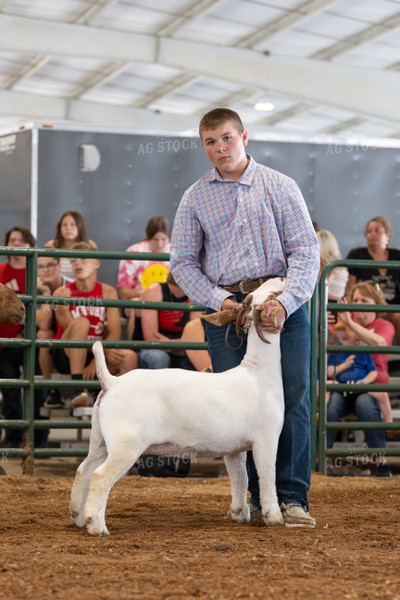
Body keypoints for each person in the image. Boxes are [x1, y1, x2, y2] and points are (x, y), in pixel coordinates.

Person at [170, 108, 320, 528]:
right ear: (204, 146)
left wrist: (285, 303)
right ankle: (254, 499)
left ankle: (291, 498)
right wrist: (220, 300)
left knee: (291, 398)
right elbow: (182, 263)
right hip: (230, 312)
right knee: (236, 408)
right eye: (210, 142)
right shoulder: (195, 196)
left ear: (244, 137)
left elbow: (306, 252)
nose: (220, 148)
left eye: (226, 138)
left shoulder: (280, 186)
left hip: (280, 305)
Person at [49, 242, 137, 408]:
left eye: (83, 259)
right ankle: (77, 389)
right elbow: (73, 334)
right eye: (73, 261)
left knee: (129, 357)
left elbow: (115, 333)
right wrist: (98, 356)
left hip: (97, 353)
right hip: (67, 355)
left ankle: (121, 408)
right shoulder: (62, 293)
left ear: (96, 262)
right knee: (82, 323)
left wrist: (95, 361)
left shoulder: (108, 291)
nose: (78, 264)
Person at [327, 281, 395, 477]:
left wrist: (351, 323)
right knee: (331, 406)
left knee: (366, 404)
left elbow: (381, 343)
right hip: (343, 386)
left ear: (376, 303)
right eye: (354, 300)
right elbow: (324, 340)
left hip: (371, 387)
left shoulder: (384, 325)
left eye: (363, 300)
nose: (357, 304)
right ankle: (321, 460)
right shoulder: (343, 324)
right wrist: (326, 321)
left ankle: (381, 463)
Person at [0, 226, 48, 448]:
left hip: (32, 340)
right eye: (12, 239)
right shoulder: (1, 271)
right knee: (9, 389)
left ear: (30, 245)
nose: (17, 243)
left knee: (37, 388)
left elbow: (52, 301)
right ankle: (14, 438)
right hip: (5, 341)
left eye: (21, 240)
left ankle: (39, 441)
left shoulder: (37, 272)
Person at [345, 216, 400, 344]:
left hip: (392, 308)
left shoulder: (397, 256)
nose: (372, 234)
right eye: (369, 232)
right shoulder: (357, 255)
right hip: (366, 306)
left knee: (398, 316)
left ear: (388, 235)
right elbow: (349, 288)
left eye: (377, 231)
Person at [328, 320, 392, 423]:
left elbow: (373, 372)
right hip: (341, 386)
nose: (340, 343)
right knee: (326, 390)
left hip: (360, 386)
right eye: (337, 339)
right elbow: (330, 372)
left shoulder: (363, 352)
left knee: (382, 395)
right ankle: (319, 417)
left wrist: (363, 382)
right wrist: (344, 365)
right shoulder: (336, 353)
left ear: (356, 340)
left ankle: (389, 424)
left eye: (345, 339)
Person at [140, 272, 201, 370]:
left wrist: (169, 344)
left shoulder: (195, 294)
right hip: (155, 350)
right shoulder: (154, 291)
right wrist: (181, 345)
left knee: (198, 356)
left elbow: (195, 339)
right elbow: (151, 340)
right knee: (158, 357)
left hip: (181, 349)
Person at [36, 256, 73, 407]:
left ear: (59, 266)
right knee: (44, 334)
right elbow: (44, 323)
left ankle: (86, 388)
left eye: (50, 265)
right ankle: (52, 391)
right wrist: (45, 292)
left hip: (68, 332)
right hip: (48, 337)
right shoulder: (33, 285)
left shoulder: (71, 285)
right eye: (41, 266)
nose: (46, 270)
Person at [117, 215, 171, 301]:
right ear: (148, 237)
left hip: (170, 300)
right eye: (155, 239)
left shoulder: (176, 252)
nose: (159, 244)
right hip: (142, 300)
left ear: (168, 237)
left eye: (163, 239)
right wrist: (149, 294)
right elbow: (124, 292)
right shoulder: (133, 252)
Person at [45, 210, 97, 279]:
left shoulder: (90, 245)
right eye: (64, 225)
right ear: (60, 228)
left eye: (72, 224)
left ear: (79, 227)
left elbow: (93, 277)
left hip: (82, 288)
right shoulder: (51, 246)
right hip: (57, 288)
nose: (68, 228)